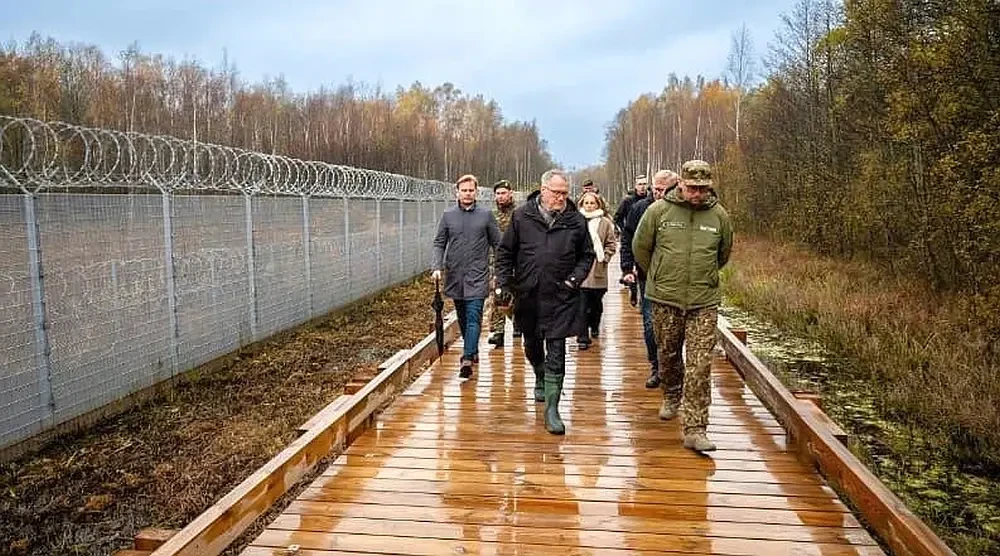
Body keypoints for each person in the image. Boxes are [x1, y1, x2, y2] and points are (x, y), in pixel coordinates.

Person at [632, 160, 733, 452]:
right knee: (668, 354)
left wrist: (704, 275)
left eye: (703, 189)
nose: (697, 194)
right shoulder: (659, 211)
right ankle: (672, 393)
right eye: (692, 188)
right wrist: (660, 274)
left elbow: (723, 254)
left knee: (700, 364)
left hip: (703, 300)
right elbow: (641, 247)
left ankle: (696, 428)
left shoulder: (719, 216)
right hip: (665, 297)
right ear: (681, 184)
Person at [495, 169, 595, 435]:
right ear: (543, 190)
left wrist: (574, 280)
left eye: (565, 193)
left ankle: (552, 408)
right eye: (556, 193)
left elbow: (587, 255)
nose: (561, 198)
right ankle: (539, 374)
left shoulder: (575, 221)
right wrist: (503, 283)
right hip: (528, 294)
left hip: (562, 295)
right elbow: (505, 253)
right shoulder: (522, 216)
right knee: (531, 344)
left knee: (557, 349)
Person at [432, 174, 502, 378]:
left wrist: (500, 270)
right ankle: (472, 349)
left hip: (478, 274)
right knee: (462, 316)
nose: (468, 194)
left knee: (474, 315)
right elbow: (439, 243)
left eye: (471, 190)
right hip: (455, 275)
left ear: (476, 192)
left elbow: (498, 244)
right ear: (457, 192)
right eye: (464, 190)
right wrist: (436, 266)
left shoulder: (486, 215)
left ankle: (467, 358)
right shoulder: (448, 215)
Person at [620, 170, 680, 388]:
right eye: (655, 189)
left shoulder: (682, 211)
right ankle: (657, 366)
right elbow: (628, 238)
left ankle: (673, 366)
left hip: (675, 278)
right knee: (649, 324)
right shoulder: (640, 208)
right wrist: (627, 267)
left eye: (662, 190)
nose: (657, 193)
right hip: (647, 275)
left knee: (674, 326)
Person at [575, 191, 617, 350]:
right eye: (586, 203)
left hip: (598, 268)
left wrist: (605, 257)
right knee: (581, 305)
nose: (589, 206)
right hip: (580, 269)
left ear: (598, 204)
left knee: (595, 304)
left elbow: (611, 243)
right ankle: (582, 337)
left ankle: (594, 324)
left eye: (592, 203)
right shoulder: (576, 221)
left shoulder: (605, 223)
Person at [487, 180, 520, 347]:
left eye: (504, 193)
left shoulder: (519, 213)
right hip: (497, 260)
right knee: (497, 293)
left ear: (510, 193)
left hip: (517, 259)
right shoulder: (491, 215)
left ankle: (517, 321)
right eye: (498, 193)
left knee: (516, 293)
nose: (501, 196)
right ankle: (498, 331)